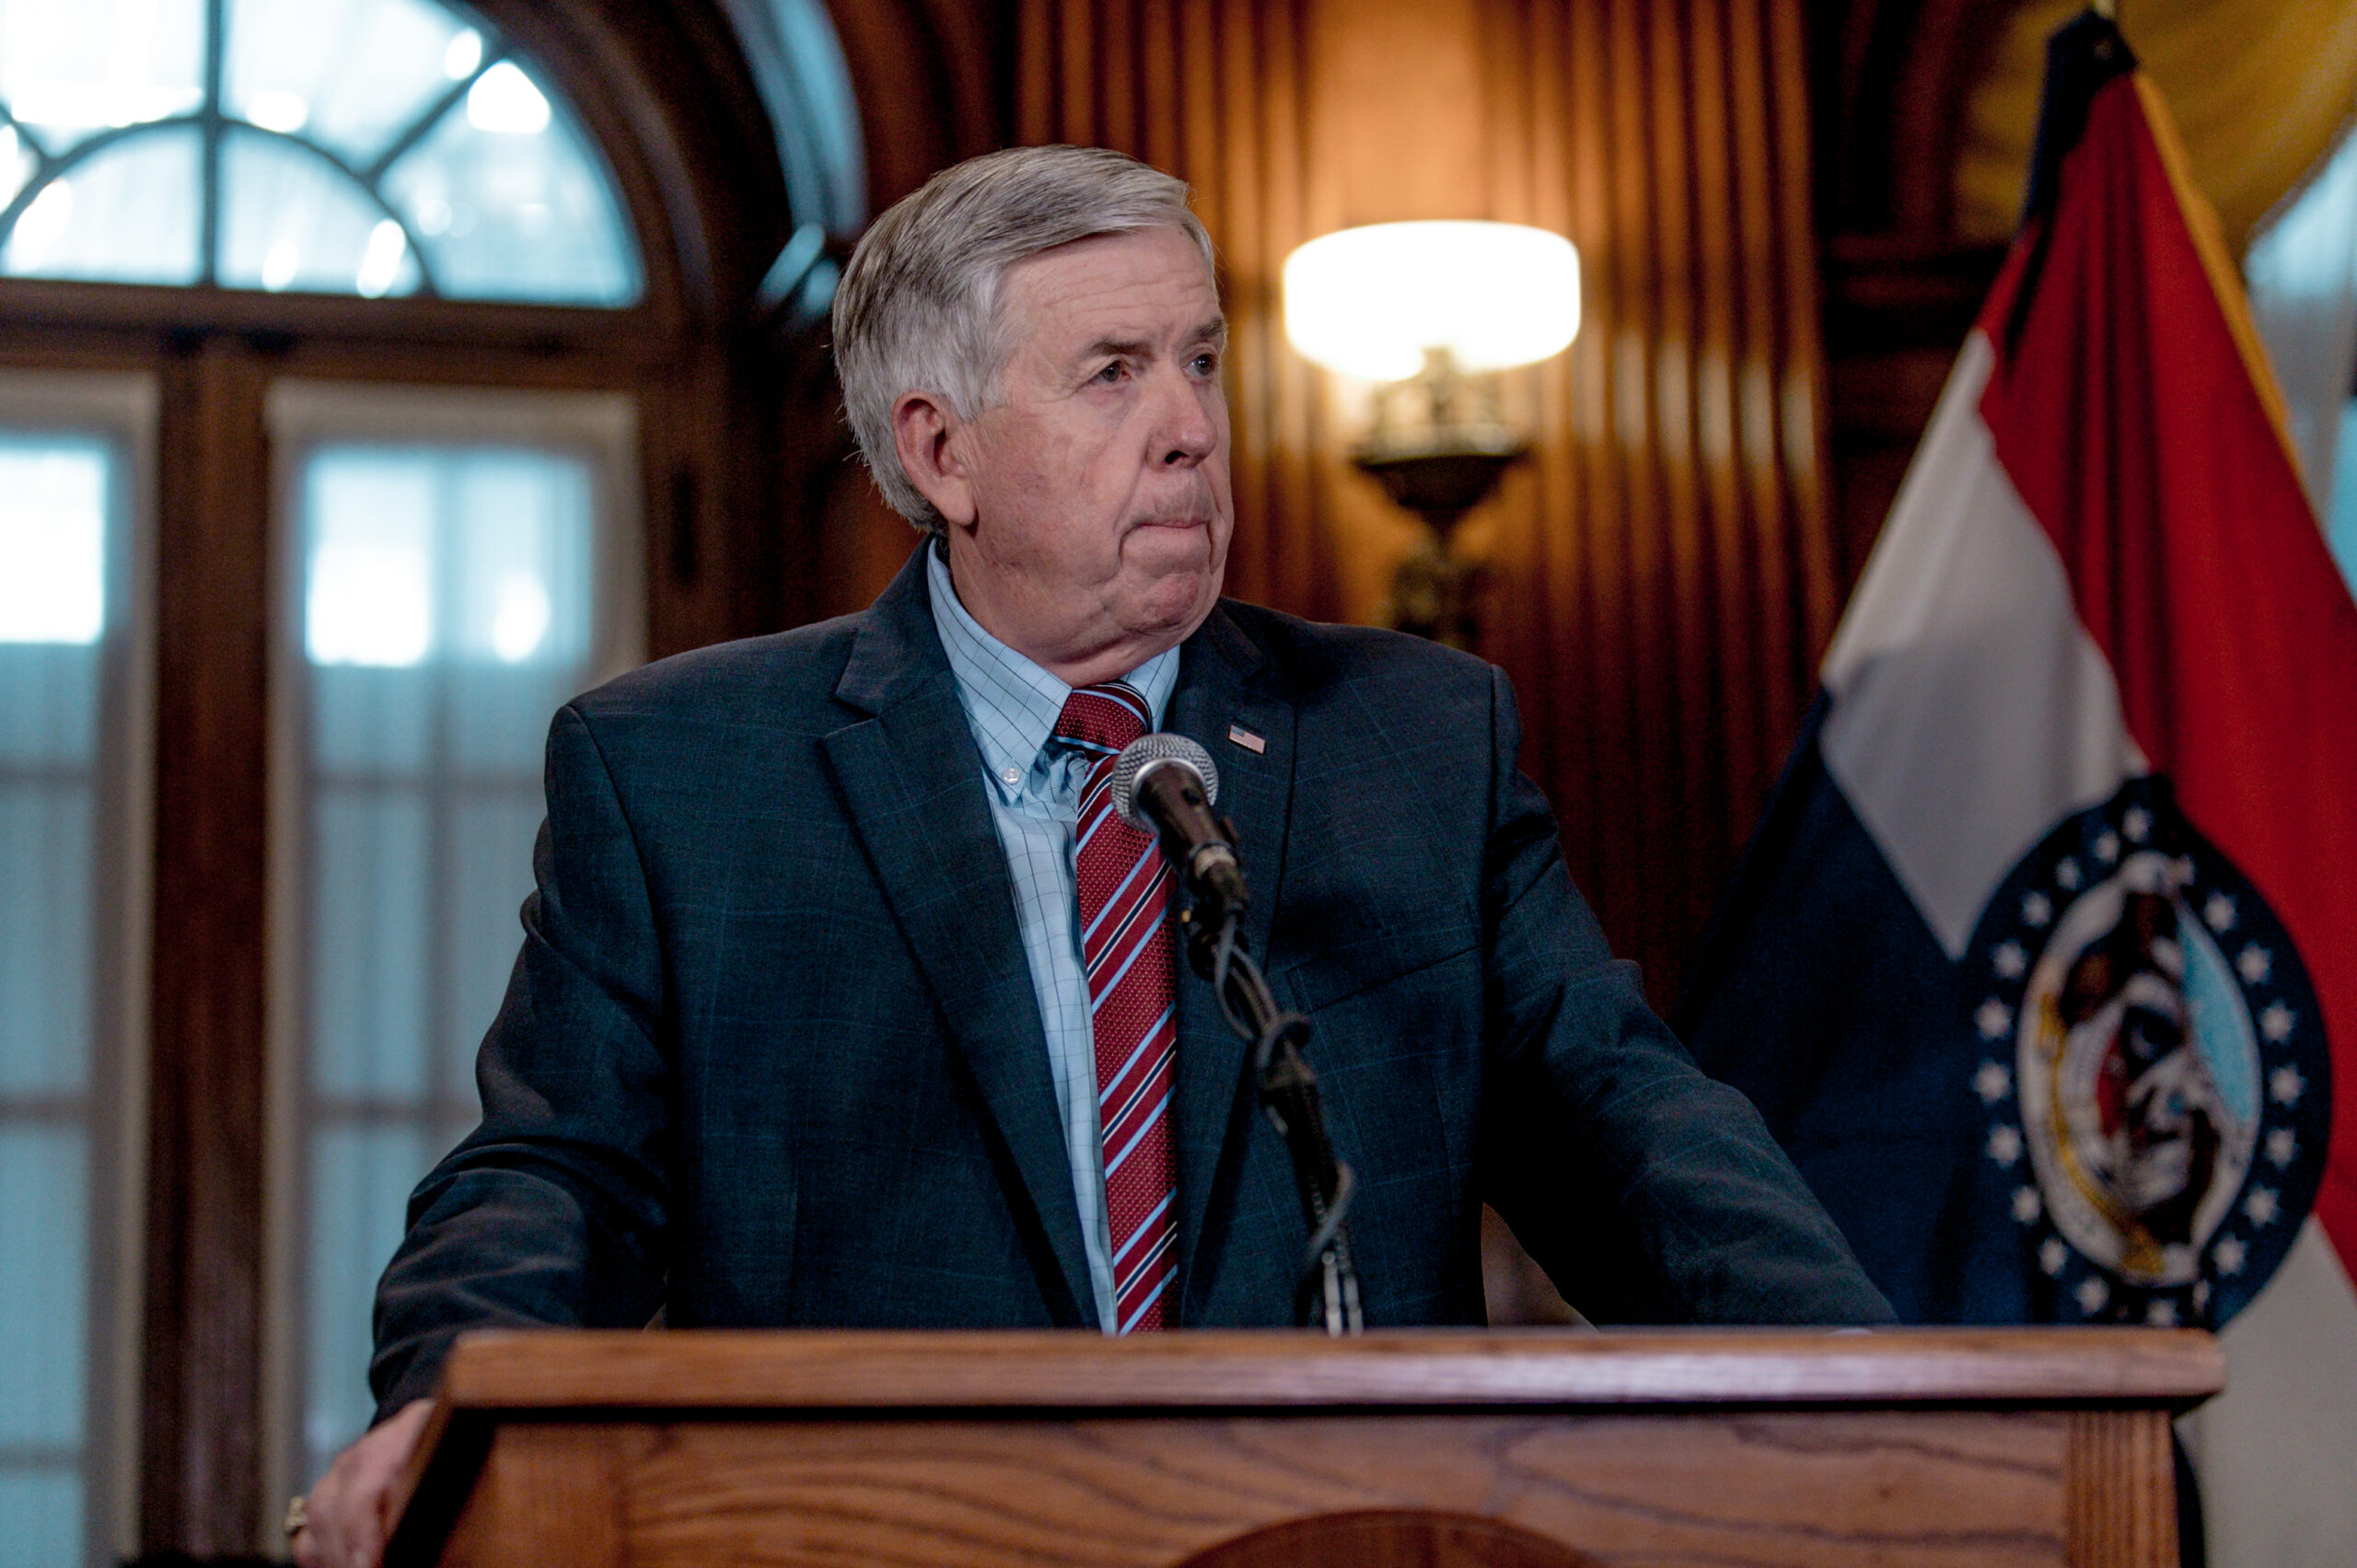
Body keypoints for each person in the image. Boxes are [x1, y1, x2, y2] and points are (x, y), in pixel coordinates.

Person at [291, 144, 1889, 1568]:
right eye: (1114, 373)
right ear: (943, 454)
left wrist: (1881, 1399)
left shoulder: (1412, 739)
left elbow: (1628, 1130)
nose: (1193, 428)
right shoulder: (686, 776)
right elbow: (554, 1178)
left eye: (1201, 359)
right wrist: (447, 1413)